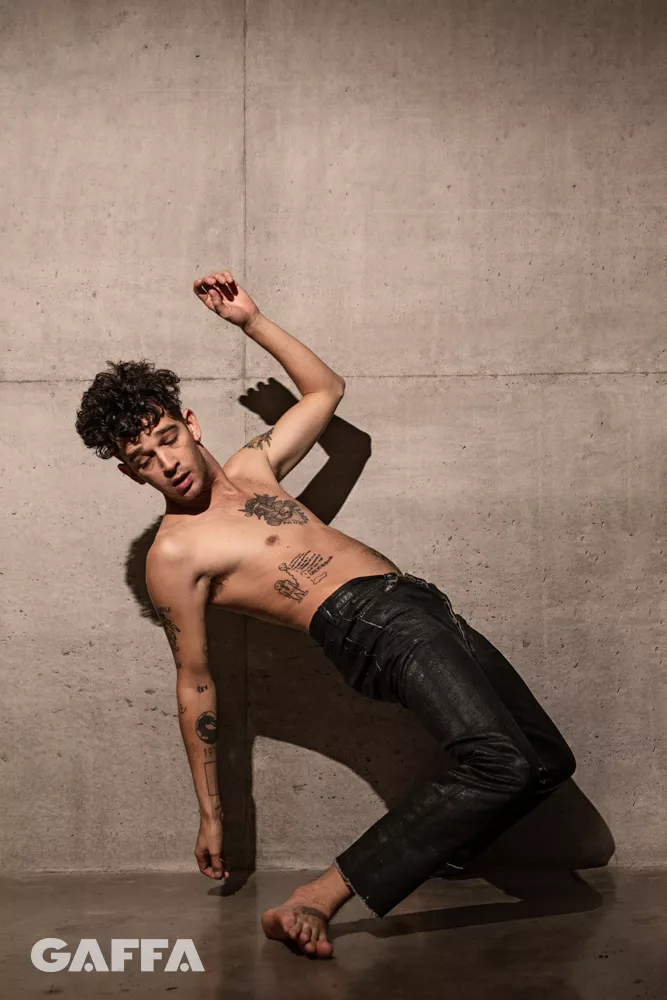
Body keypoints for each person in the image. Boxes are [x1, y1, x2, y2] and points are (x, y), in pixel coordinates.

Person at [75, 269, 576, 960]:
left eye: (166, 438)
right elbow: (194, 681)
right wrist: (211, 813)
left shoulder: (254, 466)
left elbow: (326, 393)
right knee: (498, 762)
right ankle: (318, 896)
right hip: (366, 626)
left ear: (190, 424)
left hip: (418, 602)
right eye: (143, 458)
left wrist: (251, 322)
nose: (166, 462)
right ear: (130, 473)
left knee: (545, 761)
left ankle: (445, 848)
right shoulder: (174, 553)